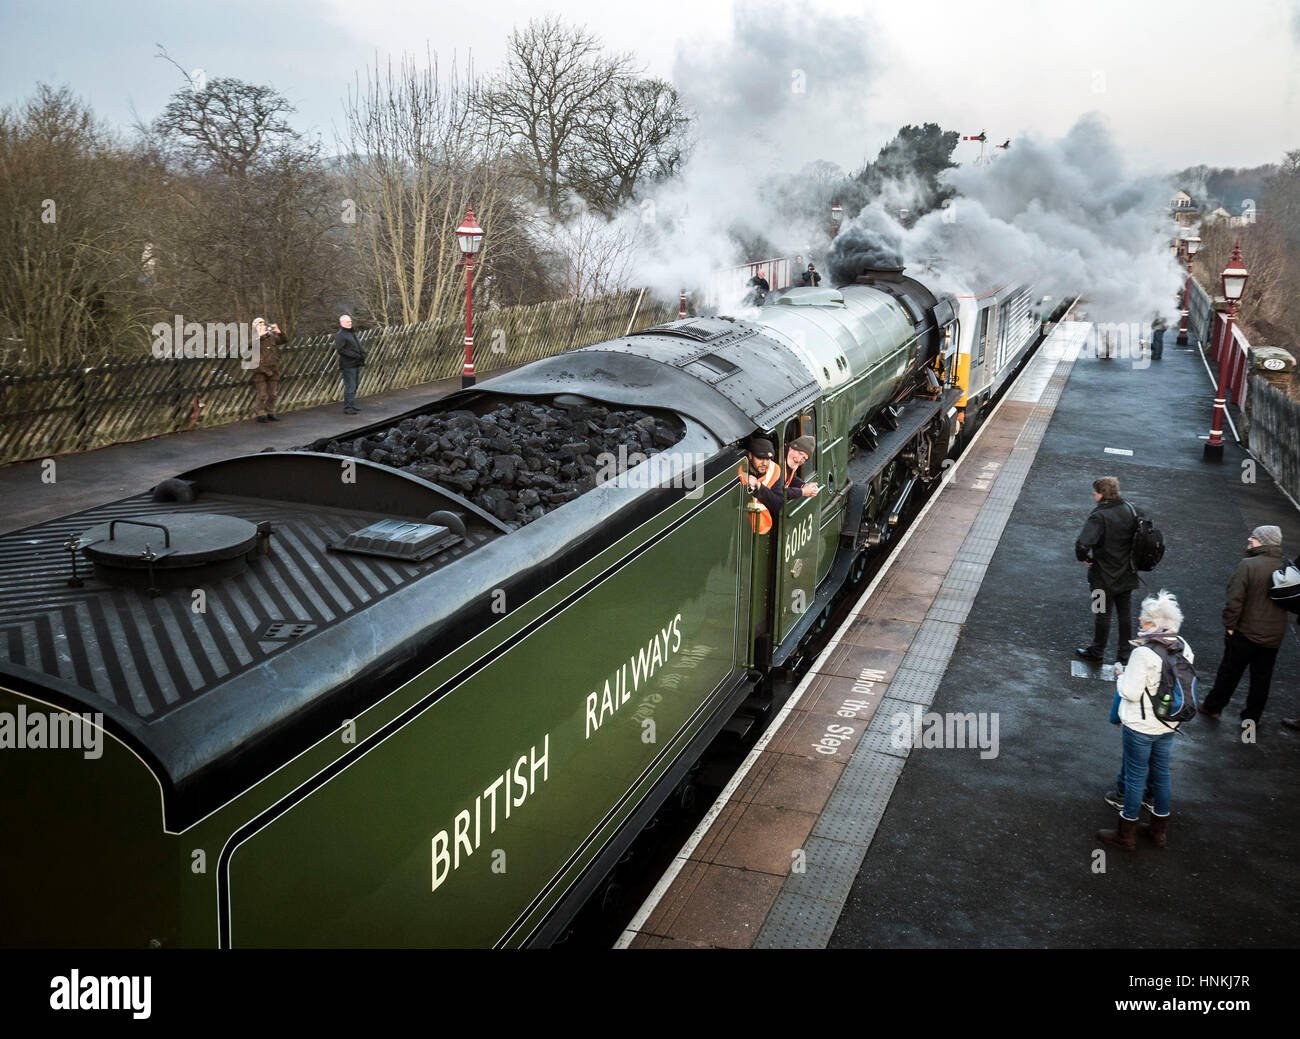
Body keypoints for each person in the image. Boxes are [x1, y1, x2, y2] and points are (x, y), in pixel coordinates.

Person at [1097, 589, 1192, 851]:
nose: (1140, 622)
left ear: (1155, 624)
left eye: (1145, 620)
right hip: (1169, 723)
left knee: (1136, 775)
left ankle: (1126, 832)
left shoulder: (1144, 654)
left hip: (1141, 726)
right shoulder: (1183, 646)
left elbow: (1129, 691)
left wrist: (1120, 674)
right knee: (1161, 773)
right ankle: (1158, 830)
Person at [1199, 525, 1289, 724]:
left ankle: (1213, 707)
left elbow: (1235, 600)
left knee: (1230, 671)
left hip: (1246, 631)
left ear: (1263, 542)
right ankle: (1251, 718)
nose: (1250, 539)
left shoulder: (1248, 565)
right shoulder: (1286, 566)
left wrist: (1230, 625)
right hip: (1274, 635)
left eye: (1254, 537)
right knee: (1262, 679)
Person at [1075, 476, 1140, 664]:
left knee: (1101, 612)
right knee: (1125, 613)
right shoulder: (1129, 509)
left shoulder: (1099, 516)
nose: (1093, 495)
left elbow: (1082, 544)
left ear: (1102, 493)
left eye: (1095, 492)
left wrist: (1085, 558)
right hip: (1127, 572)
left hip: (1101, 576)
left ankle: (1097, 650)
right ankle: (1125, 653)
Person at [251, 317, 287, 423]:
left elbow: (284, 340)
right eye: (260, 325)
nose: (263, 327)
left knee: (273, 394)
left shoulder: (271, 337)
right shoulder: (254, 338)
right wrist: (259, 336)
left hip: (273, 369)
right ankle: (260, 414)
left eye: (263, 325)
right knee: (262, 394)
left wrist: (279, 331)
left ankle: (271, 412)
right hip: (260, 371)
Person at [335, 314, 366, 415]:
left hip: (355, 363)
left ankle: (351, 405)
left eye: (350, 322)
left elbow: (356, 345)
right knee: (350, 386)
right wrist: (354, 355)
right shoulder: (341, 334)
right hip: (348, 364)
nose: (350, 323)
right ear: (342, 323)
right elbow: (341, 349)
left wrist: (362, 353)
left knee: (355, 385)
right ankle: (348, 407)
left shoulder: (351, 333)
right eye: (347, 322)